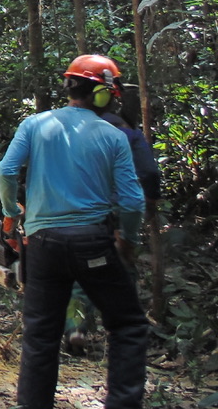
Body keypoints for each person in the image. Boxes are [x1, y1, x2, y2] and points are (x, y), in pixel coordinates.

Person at [0, 54, 150, 409]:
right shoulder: (113, 136)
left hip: (43, 246)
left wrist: (11, 213)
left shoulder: (35, 125)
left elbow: (6, 172)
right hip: (92, 243)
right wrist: (128, 241)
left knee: (40, 336)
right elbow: (131, 203)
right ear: (103, 94)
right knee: (128, 325)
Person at [65, 84, 162, 353]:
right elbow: (150, 174)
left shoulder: (79, 130)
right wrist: (151, 202)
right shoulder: (128, 133)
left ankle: (75, 328)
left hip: (88, 210)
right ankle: (123, 333)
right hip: (122, 210)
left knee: (81, 274)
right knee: (122, 269)